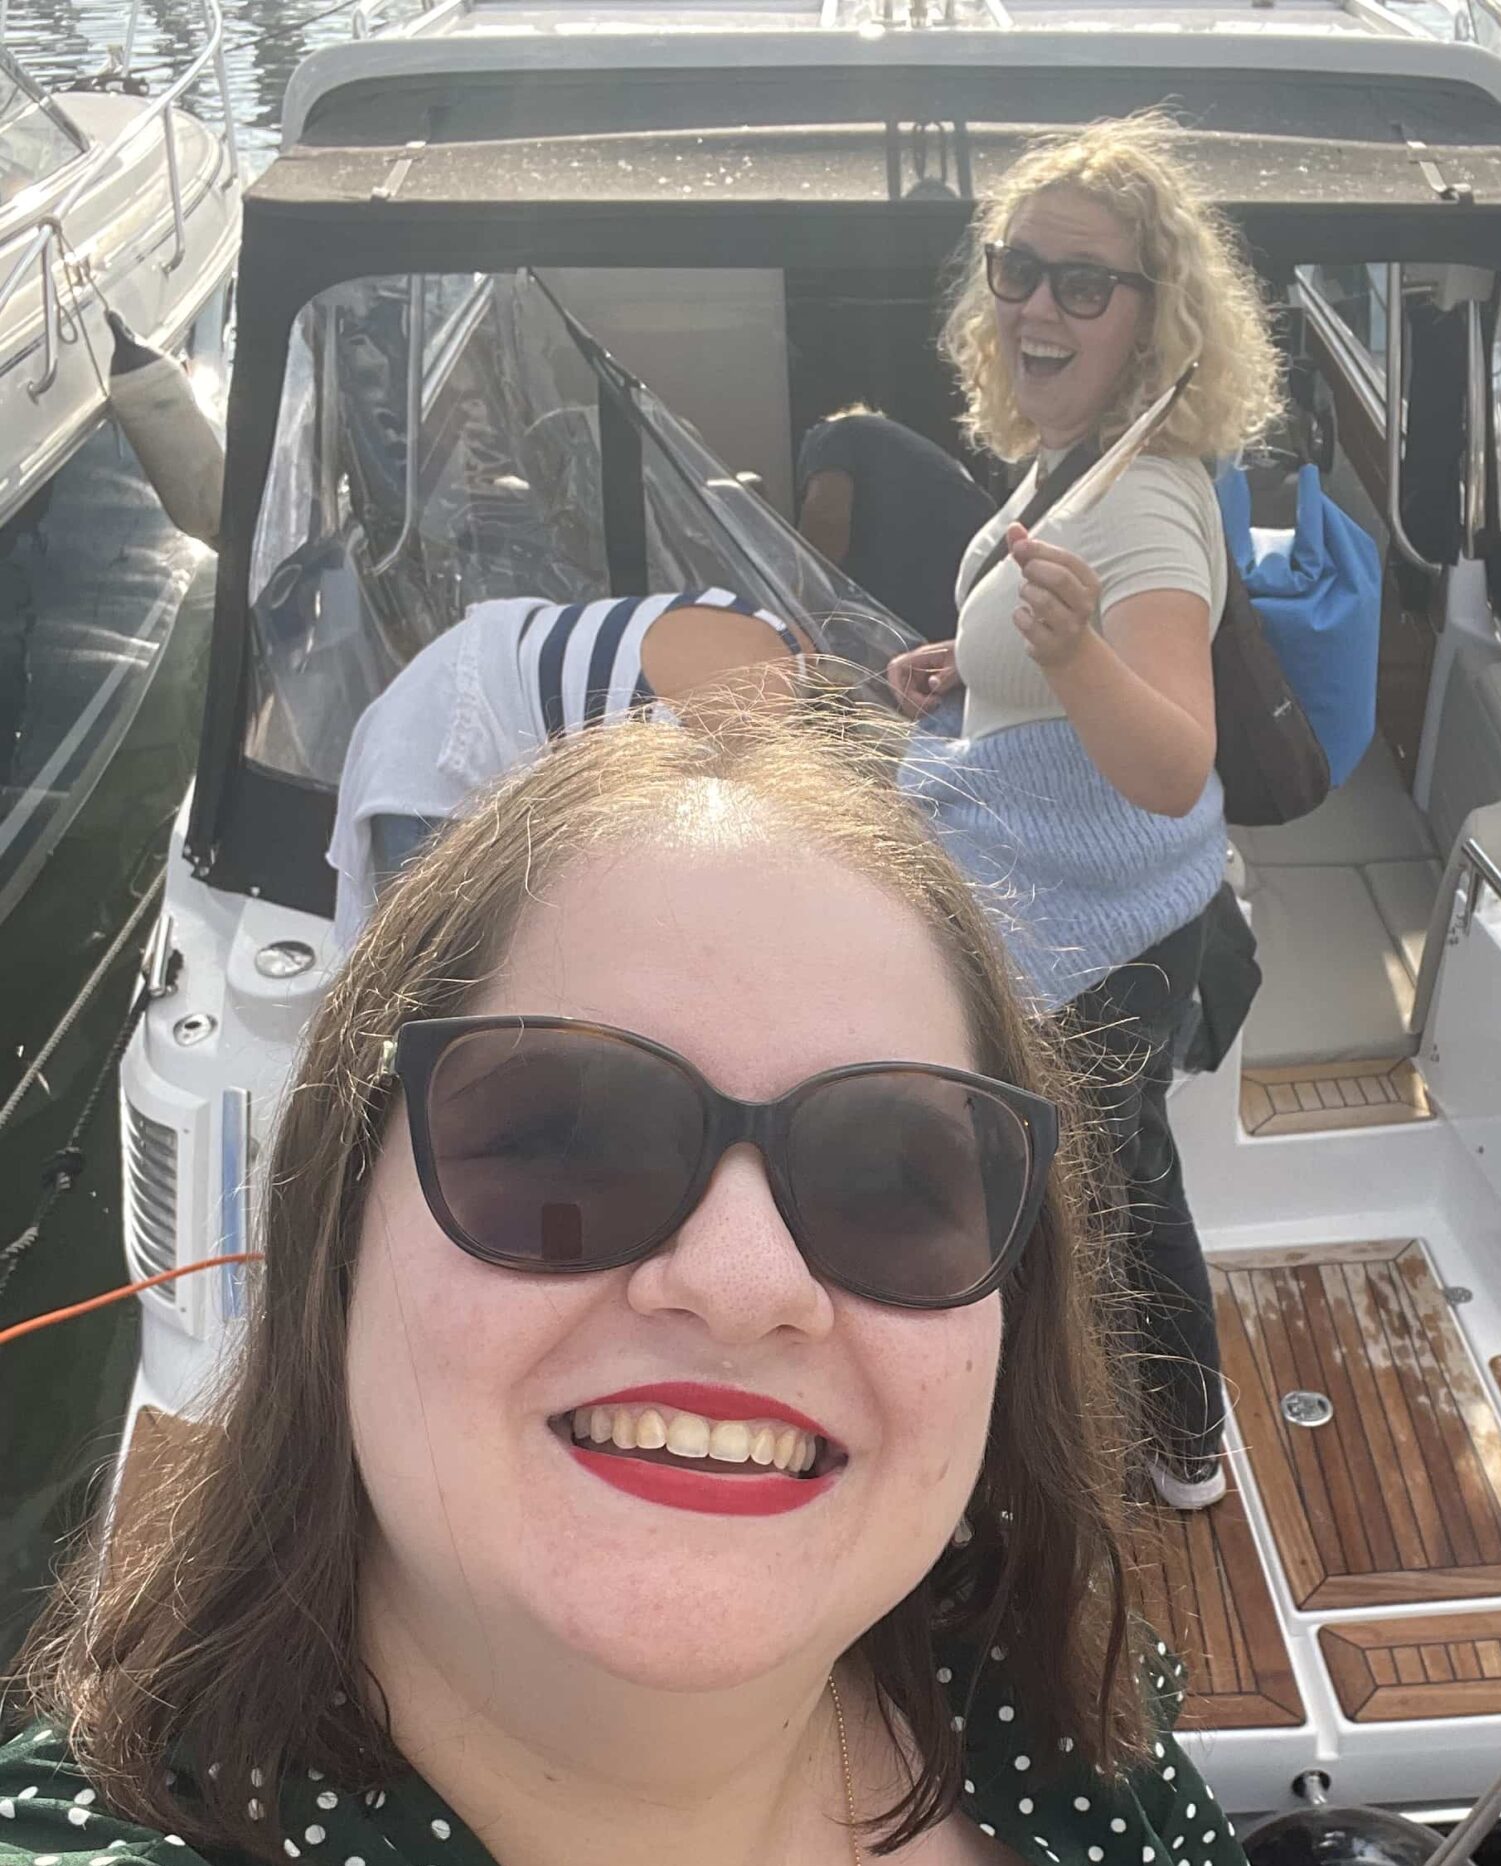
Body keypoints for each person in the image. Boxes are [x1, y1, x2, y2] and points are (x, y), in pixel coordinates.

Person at [1, 713, 1348, 1866]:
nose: (741, 1277)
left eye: (893, 1177)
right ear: (339, 1222)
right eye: (559, 1138)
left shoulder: (1074, 1764)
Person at [893, 113, 1281, 1512]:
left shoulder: (1147, 509)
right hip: (1088, 899)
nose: (1037, 306)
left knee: (1118, 1198)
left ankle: (1184, 1447)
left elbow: (1175, 760)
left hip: (1104, 932)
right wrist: (975, 669)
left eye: (1084, 284)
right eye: (1017, 269)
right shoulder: (1077, 453)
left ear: (1152, 317)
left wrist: (1070, 657)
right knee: (1105, 1174)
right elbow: (1050, 663)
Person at [325, 585, 804, 937]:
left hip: (486, 664)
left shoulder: (788, 644)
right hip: (443, 743)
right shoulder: (709, 756)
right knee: (436, 969)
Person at [796, 405, 995, 642]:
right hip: (980, 591)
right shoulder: (923, 460)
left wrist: (802, 610)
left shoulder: (833, 433)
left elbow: (826, 519)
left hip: (931, 602)